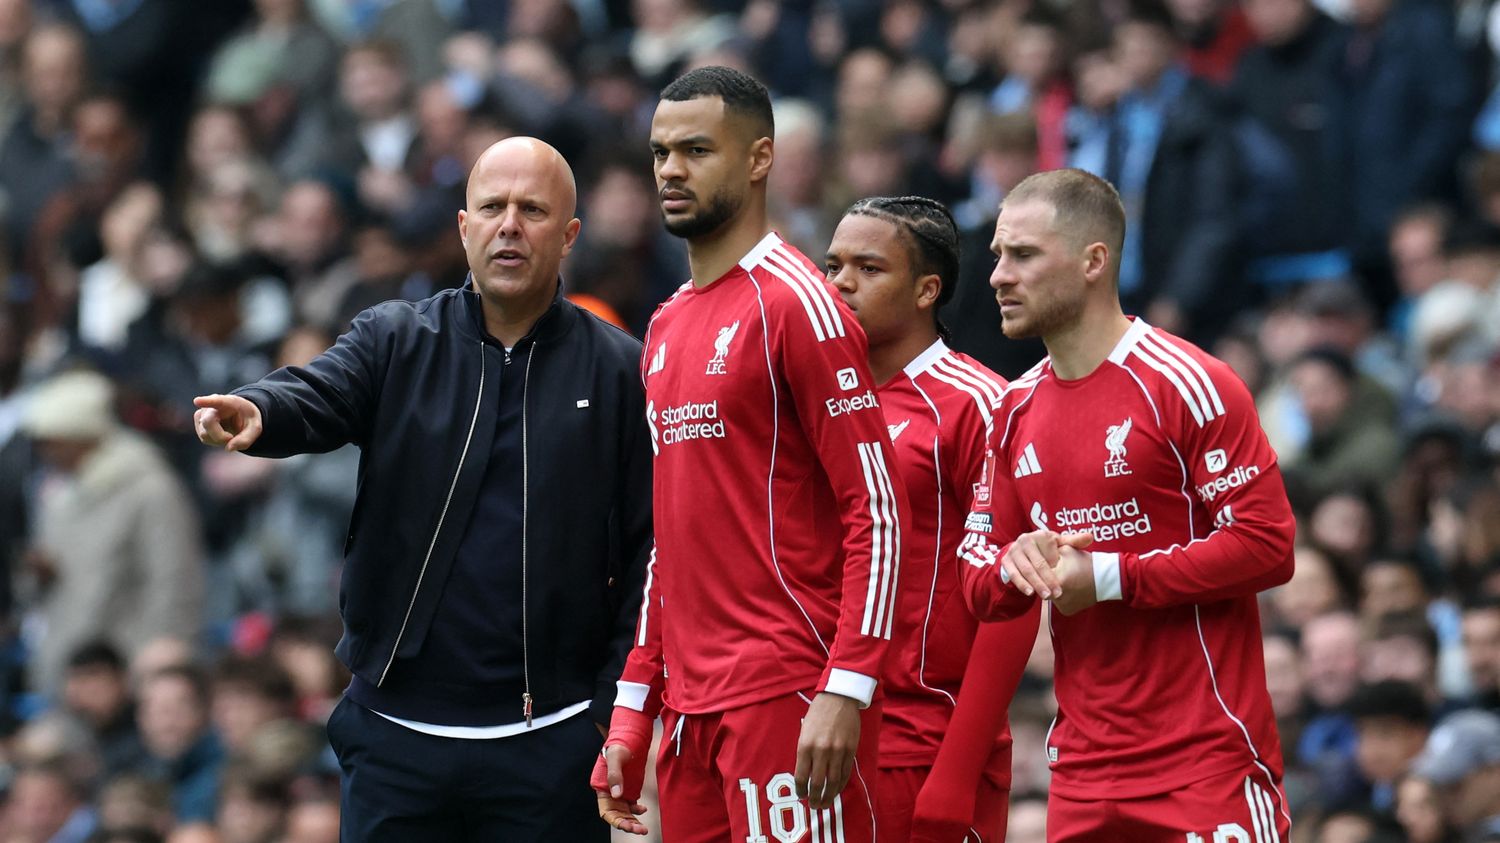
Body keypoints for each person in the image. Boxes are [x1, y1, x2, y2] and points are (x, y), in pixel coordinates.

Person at [192, 136, 653, 842]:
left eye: (532, 210)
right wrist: (262, 409)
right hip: (397, 737)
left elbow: (651, 548)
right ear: (464, 229)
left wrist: (606, 706)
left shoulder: (620, 370)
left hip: (550, 741)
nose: (509, 225)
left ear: (568, 236)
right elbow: (321, 390)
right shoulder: (396, 338)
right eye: (492, 207)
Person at [593, 66, 910, 842]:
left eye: (697, 150)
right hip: (692, 711)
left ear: (760, 159)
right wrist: (638, 702)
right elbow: (672, 537)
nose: (670, 169)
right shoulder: (665, 324)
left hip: (788, 690)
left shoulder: (800, 303)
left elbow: (877, 504)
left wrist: (847, 683)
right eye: (662, 151)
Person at [957, 168, 1296, 840]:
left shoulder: (1192, 382)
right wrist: (1015, 564)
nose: (998, 275)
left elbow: (1268, 543)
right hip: (1081, 774)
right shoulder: (1011, 408)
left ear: (1093, 261)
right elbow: (977, 578)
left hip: (1205, 762)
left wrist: (1109, 576)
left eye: (1023, 254)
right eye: (998, 254)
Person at [825, 194, 1042, 841]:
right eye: (833, 265)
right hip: (812, 734)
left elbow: (1016, 592)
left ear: (927, 289)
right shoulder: (813, 398)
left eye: (868, 268)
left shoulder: (979, 404)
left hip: (924, 741)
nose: (840, 283)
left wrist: (956, 768)